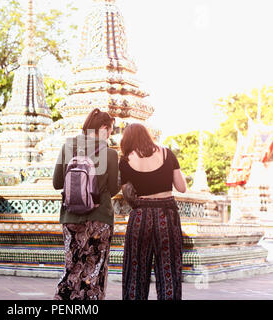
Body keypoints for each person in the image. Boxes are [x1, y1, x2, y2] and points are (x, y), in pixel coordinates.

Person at [52, 108, 120, 300]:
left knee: (72, 268)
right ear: (104, 128)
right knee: (94, 271)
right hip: (99, 218)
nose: (111, 134)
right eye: (111, 130)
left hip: (71, 216)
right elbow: (114, 188)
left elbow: (57, 183)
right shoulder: (110, 154)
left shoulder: (68, 146)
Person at [119, 123, 186, 300]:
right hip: (166, 214)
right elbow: (182, 187)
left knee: (135, 270)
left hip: (140, 216)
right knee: (169, 269)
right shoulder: (167, 153)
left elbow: (128, 195)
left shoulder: (125, 160)